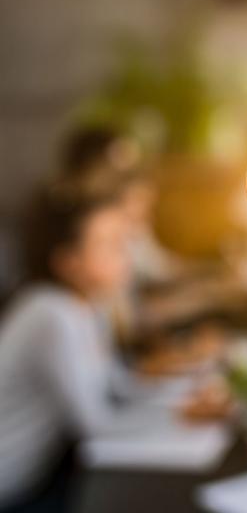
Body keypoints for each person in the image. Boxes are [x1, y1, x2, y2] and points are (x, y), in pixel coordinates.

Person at [0, 182, 231, 511]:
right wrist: (181, 415)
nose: (126, 255)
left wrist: (185, 402)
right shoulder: (51, 314)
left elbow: (120, 385)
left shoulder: (85, 306)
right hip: (15, 488)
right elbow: (96, 423)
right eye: (109, 245)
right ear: (68, 262)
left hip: (40, 478)